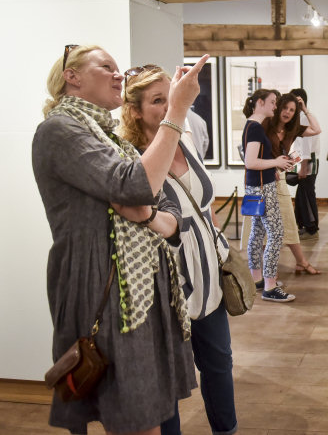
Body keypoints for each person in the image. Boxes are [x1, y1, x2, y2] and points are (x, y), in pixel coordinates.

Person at [32, 45, 209, 435]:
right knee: (134, 414)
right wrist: (177, 110)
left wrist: (151, 217)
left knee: (144, 410)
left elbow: (165, 205)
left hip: (135, 289)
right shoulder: (60, 130)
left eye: (118, 68)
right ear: (71, 77)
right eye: (106, 66)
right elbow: (138, 184)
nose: (118, 75)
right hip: (105, 286)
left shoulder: (110, 137)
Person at [119, 66, 238, 435]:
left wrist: (221, 248)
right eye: (157, 101)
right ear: (134, 111)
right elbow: (141, 213)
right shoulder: (133, 156)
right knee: (168, 377)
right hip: (166, 280)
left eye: (170, 96)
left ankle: (226, 429)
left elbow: (205, 204)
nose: (169, 105)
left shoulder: (184, 139)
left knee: (219, 363)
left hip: (208, 273)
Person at [242, 89, 296, 302]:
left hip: (258, 186)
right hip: (263, 188)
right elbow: (250, 162)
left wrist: (273, 165)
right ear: (260, 102)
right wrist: (276, 162)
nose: (276, 106)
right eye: (273, 102)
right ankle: (270, 286)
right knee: (276, 234)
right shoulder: (255, 128)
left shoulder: (252, 125)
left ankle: (258, 279)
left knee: (257, 232)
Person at [263, 93, 322, 275]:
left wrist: (305, 110)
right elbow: (255, 152)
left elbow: (317, 129)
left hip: (277, 180)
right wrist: (272, 165)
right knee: (262, 229)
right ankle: (262, 271)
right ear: (279, 107)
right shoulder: (266, 125)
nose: (287, 112)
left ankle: (299, 262)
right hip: (263, 179)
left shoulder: (292, 129)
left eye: (292, 110)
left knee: (286, 221)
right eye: (285, 108)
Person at [290, 88, 320, 240]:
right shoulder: (301, 117)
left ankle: (311, 226)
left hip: (307, 163)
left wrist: (303, 167)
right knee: (303, 194)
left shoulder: (304, 117)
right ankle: (306, 225)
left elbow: (306, 145)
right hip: (304, 162)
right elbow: (298, 146)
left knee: (306, 195)